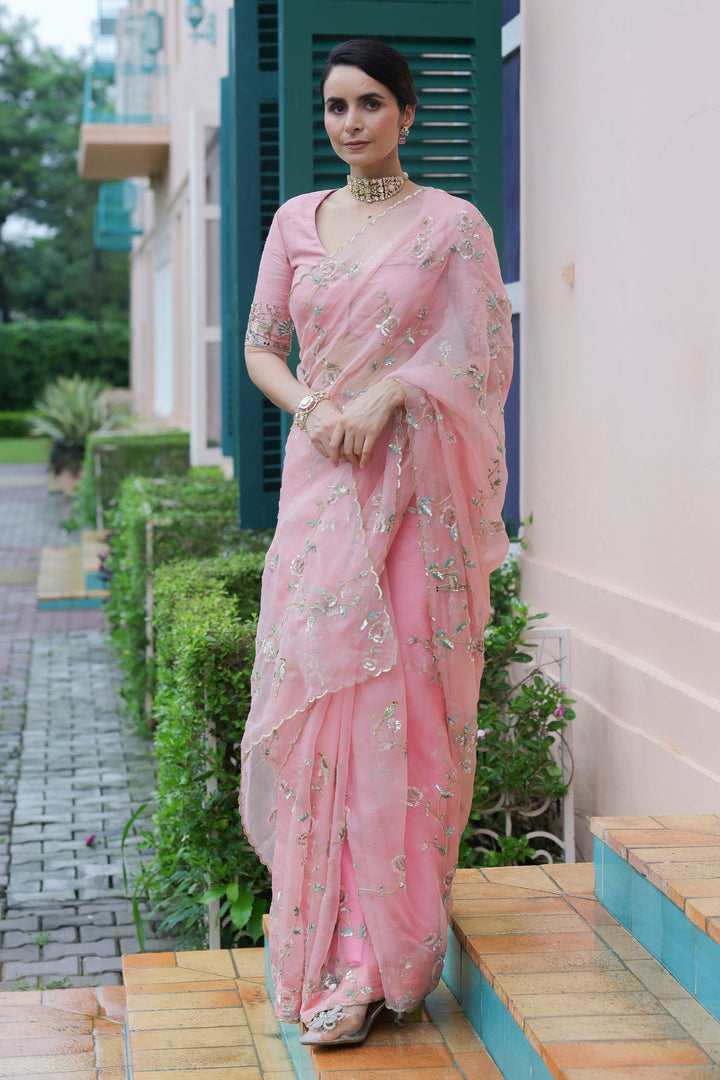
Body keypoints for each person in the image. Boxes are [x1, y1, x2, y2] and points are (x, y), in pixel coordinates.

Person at [240, 37, 513, 1046]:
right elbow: (263, 346)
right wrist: (315, 408)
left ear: (407, 113)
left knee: (403, 708)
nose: (349, 121)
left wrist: (397, 389)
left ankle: (372, 961)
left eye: (367, 104)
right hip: (325, 487)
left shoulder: (453, 227)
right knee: (324, 708)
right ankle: (316, 949)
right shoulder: (293, 223)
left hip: (415, 498)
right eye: (334, 107)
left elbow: (478, 356)